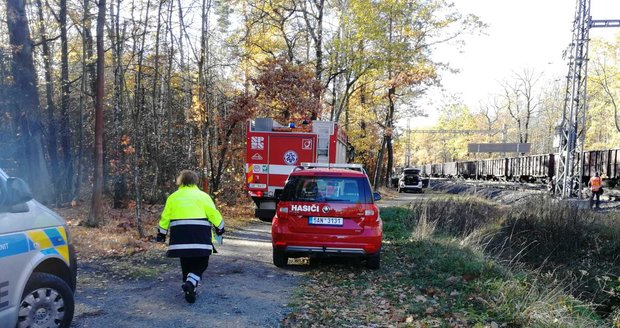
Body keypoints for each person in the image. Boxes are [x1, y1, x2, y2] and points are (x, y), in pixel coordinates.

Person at [155, 170, 225, 303]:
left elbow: (165, 217)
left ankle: (189, 288)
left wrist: (161, 234)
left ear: (180, 181)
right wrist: (220, 228)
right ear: (195, 181)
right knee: (202, 262)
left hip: (180, 238)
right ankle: (191, 284)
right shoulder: (203, 196)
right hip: (199, 237)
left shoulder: (173, 197)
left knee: (185, 261)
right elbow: (213, 214)